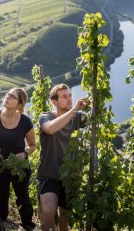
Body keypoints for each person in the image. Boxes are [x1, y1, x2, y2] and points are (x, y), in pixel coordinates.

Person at [37, 84, 88, 231]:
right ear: (54, 102)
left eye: (70, 95)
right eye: (64, 97)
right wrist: (75, 110)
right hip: (49, 175)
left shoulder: (77, 118)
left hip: (70, 177)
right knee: (48, 211)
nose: (69, 99)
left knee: (65, 222)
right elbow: (51, 129)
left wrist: (92, 103)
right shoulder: (46, 117)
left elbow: (97, 119)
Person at [0, 88, 37, 231]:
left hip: (19, 166)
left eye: (12, 97)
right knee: (1, 198)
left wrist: (25, 154)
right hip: (0, 166)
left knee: (23, 198)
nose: (7, 97)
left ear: (19, 105)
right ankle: (1, 223)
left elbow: (33, 145)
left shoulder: (25, 121)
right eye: (8, 94)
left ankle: (27, 225)